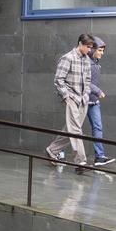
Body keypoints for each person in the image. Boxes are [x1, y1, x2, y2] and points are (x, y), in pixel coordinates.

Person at [44, 34, 95, 173]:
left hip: (83, 99)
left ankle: (51, 150)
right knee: (76, 130)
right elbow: (58, 80)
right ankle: (81, 162)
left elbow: (88, 80)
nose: (89, 50)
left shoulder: (86, 60)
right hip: (71, 98)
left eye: (91, 48)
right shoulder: (68, 58)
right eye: (87, 47)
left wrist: (86, 94)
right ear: (80, 44)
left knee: (71, 129)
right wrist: (67, 97)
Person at [85, 38, 115, 167]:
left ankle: (99, 157)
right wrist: (97, 91)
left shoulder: (96, 63)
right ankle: (58, 151)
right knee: (72, 129)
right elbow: (85, 81)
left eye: (102, 50)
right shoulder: (84, 63)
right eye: (100, 50)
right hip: (82, 101)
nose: (102, 53)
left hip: (94, 102)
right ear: (92, 50)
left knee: (97, 128)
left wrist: (96, 95)